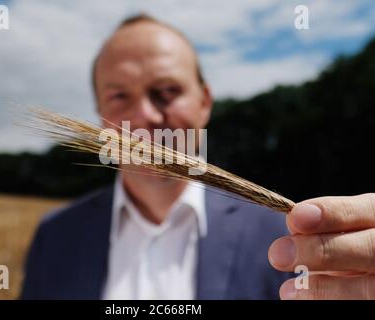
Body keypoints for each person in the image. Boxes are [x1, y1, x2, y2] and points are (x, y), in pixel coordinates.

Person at [21, 14, 375, 300]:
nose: (145, 116)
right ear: (100, 116)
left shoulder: (289, 240)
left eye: (167, 91)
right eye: (119, 97)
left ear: (205, 102)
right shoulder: (55, 237)